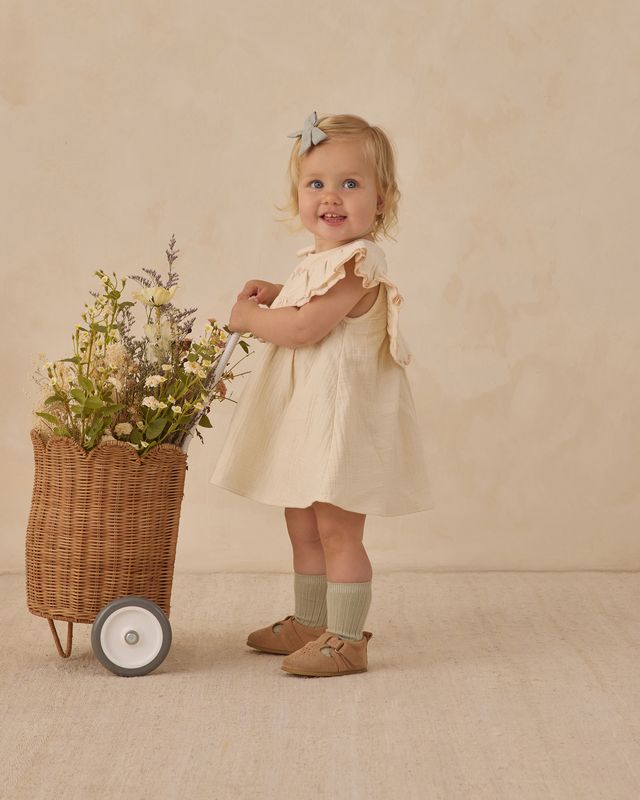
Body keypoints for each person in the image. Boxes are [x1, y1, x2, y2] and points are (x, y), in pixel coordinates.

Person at [209, 111, 433, 677]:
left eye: (350, 183)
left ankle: (348, 639)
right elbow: (309, 301)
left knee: (337, 528)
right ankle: (311, 622)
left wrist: (250, 318)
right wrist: (279, 290)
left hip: (341, 422)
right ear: (298, 196)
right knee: (302, 521)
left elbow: (307, 326)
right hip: (310, 417)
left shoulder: (359, 262)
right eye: (316, 183)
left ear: (381, 201)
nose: (331, 197)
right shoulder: (320, 262)